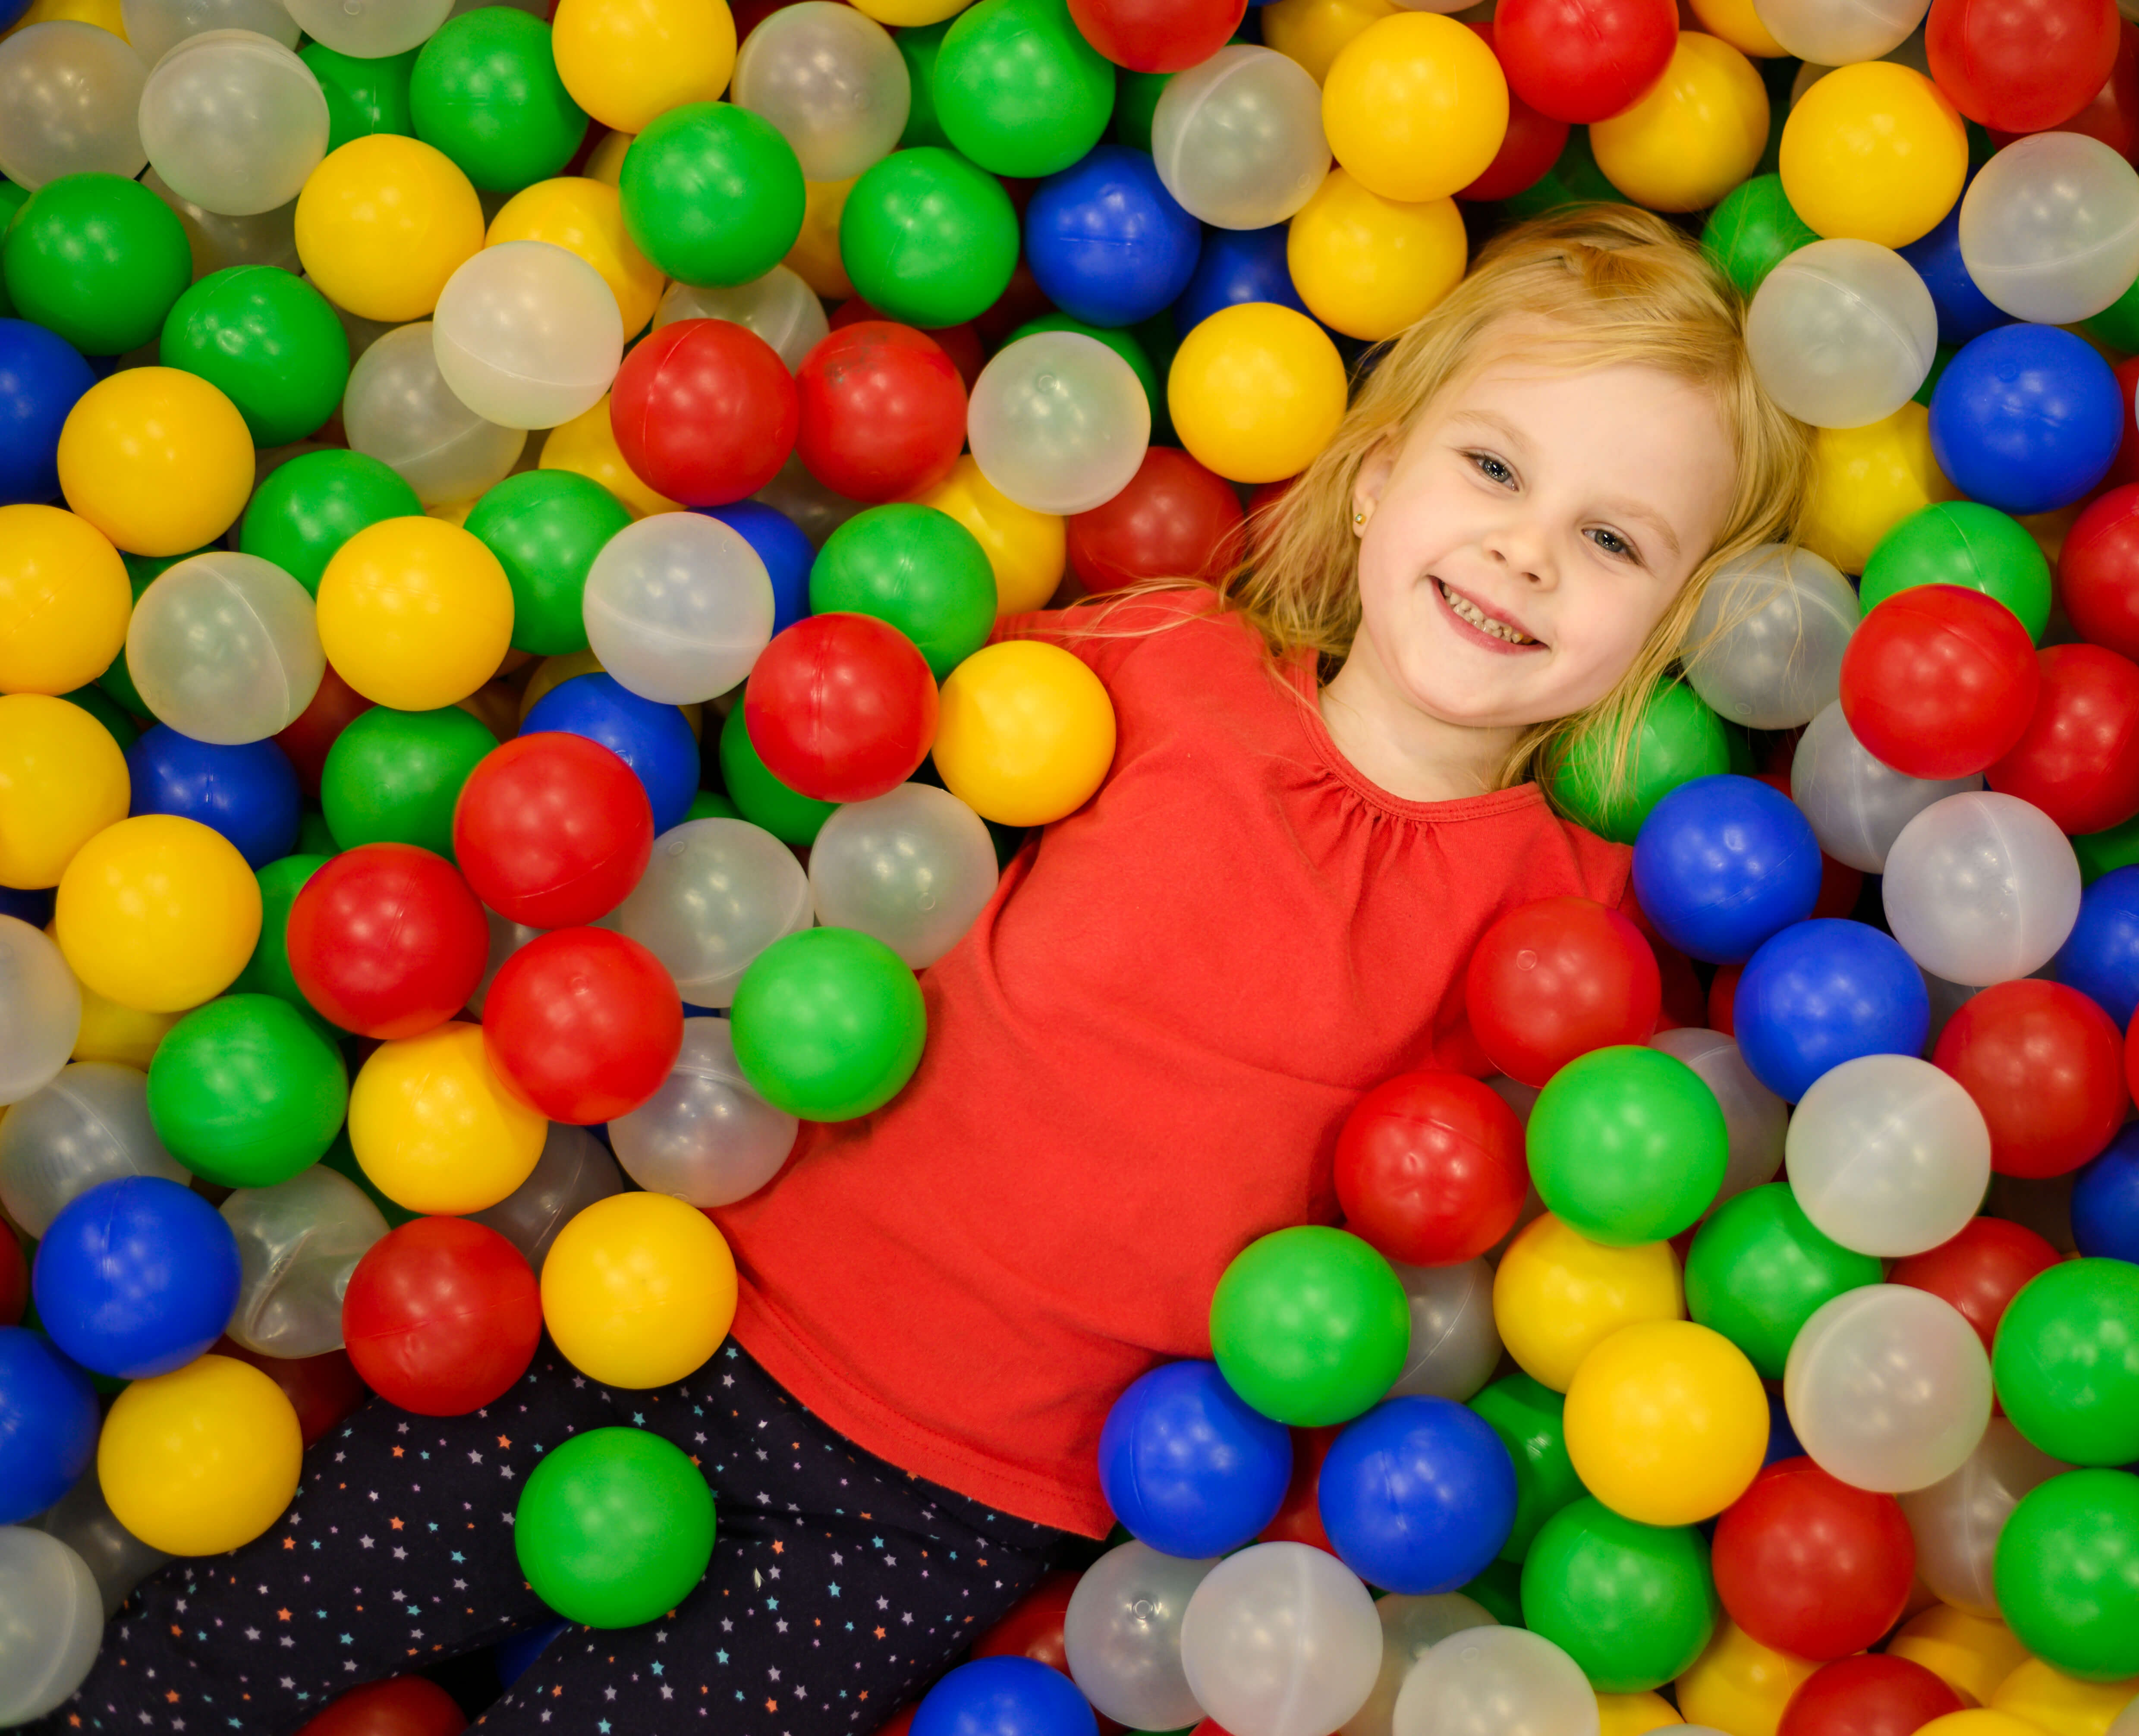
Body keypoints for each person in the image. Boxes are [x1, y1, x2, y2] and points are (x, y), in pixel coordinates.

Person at [52, 204, 1806, 1734]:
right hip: (670, 1307)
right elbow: (872, 784)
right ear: (1376, 477)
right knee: (243, 1636)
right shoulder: (1163, 669)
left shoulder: (1559, 919)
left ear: (1661, 634)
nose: (1524, 548)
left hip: (945, 1507)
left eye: (1612, 541)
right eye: (1496, 470)